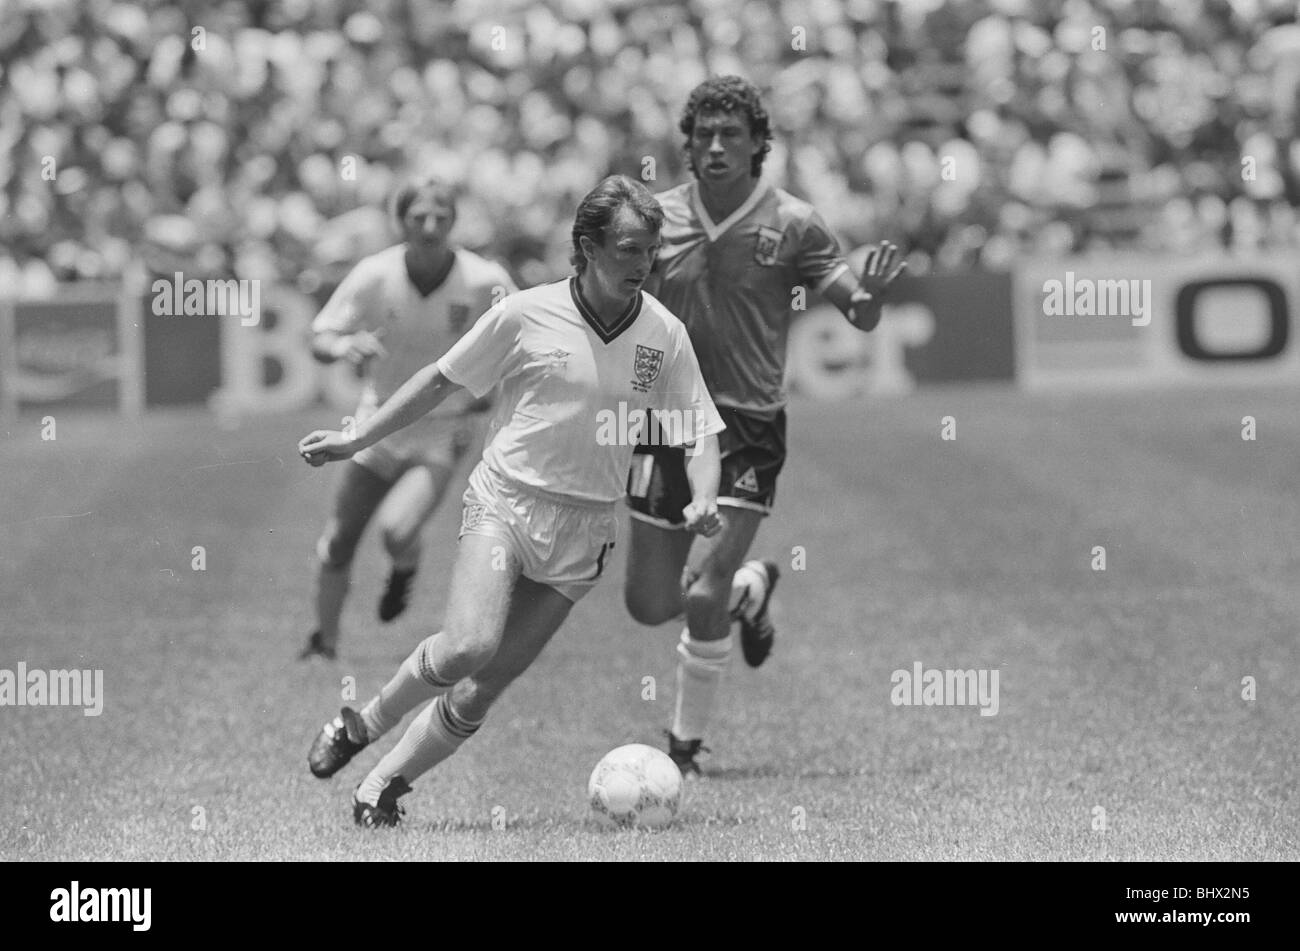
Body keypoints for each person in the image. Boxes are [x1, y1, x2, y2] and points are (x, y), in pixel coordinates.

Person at [297, 175, 726, 826]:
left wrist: (703, 496)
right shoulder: (525, 312)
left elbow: (698, 430)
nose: (642, 264)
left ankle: (382, 785)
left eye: (649, 251)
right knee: (470, 644)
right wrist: (358, 435)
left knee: (484, 686)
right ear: (586, 248)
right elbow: (439, 380)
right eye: (628, 249)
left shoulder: (663, 333)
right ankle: (364, 722)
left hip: (586, 529)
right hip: (507, 501)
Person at [624, 76, 909, 774]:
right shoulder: (655, 219)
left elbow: (856, 309)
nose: (716, 147)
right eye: (704, 136)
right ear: (687, 145)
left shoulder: (794, 221)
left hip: (747, 424)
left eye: (732, 136)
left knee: (699, 593)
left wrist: (869, 297)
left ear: (757, 145)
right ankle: (751, 588)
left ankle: (684, 745)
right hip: (664, 423)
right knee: (647, 602)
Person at [299, 175, 516, 661]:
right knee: (338, 540)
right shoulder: (374, 275)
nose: (430, 227)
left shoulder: (486, 281)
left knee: (397, 530)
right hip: (376, 424)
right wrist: (343, 345)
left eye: (440, 217)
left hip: (444, 427)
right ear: (401, 222)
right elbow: (320, 337)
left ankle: (404, 567)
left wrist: (494, 388)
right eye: (419, 217)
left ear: (454, 221)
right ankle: (325, 640)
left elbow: (520, 339)